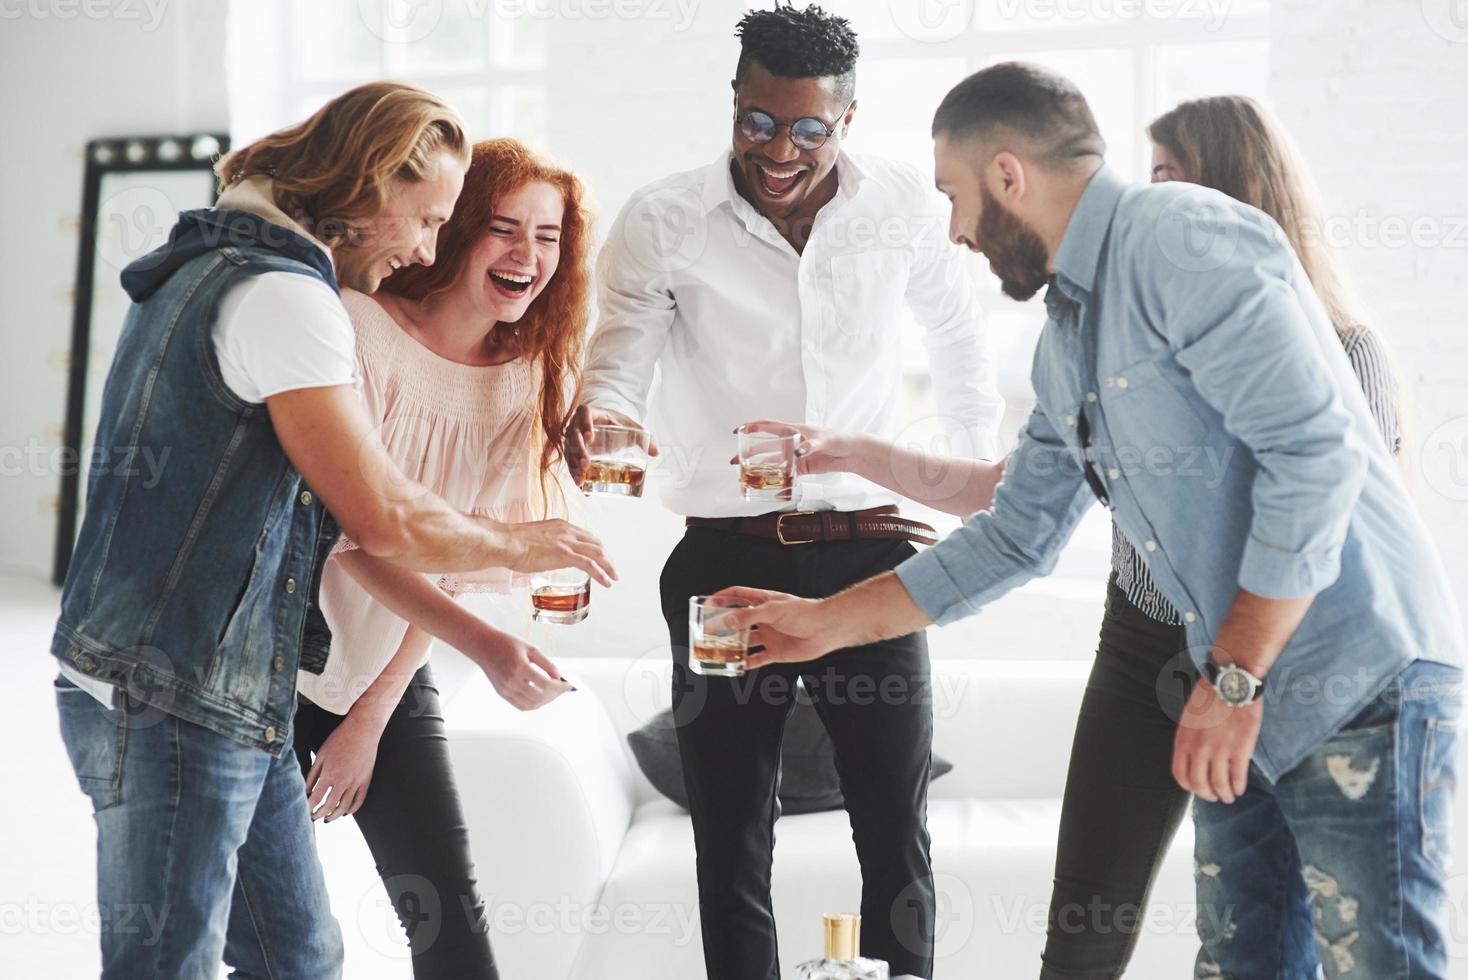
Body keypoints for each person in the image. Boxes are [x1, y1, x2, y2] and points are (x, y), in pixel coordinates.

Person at [718, 62, 1464, 979]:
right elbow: (1014, 535)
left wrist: (1232, 680)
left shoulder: (1184, 238)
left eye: (953, 196)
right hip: (1228, 688)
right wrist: (821, 625)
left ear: (1006, 175)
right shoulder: (1070, 335)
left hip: (1356, 683)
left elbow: (1314, 454)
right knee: (1241, 966)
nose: (953, 231)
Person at [51, 84, 612, 979]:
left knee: (300, 957)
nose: (427, 246)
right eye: (431, 218)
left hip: (233, 682)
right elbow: (376, 518)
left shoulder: (216, 255)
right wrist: (519, 545)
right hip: (178, 687)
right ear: (371, 184)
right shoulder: (294, 304)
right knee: (170, 963)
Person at [564, 8, 1002, 978]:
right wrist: (606, 419)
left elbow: (962, 344)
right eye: (757, 122)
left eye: (808, 129)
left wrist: (978, 482)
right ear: (734, 103)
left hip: (871, 550)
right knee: (729, 839)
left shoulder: (901, 207)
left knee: (893, 830)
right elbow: (618, 364)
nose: (778, 150)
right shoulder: (662, 220)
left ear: (848, 118)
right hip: (725, 555)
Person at [290, 138, 592, 979]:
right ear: (451, 230)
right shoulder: (358, 329)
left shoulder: (522, 374)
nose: (527, 255)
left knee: (454, 939)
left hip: (389, 664)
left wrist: (370, 718)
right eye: (502, 228)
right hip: (274, 658)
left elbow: (455, 565)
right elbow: (347, 535)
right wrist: (490, 649)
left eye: (548, 236)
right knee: (284, 942)